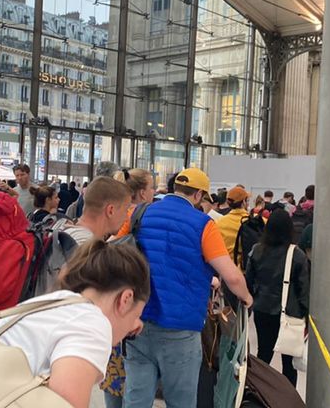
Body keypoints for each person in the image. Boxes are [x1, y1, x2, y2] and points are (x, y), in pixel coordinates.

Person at [119, 168, 253, 408]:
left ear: (173, 188)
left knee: (135, 399)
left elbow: (111, 247)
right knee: (181, 401)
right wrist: (247, 297)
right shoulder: (203, 224)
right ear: (199, 195)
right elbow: (232, 277)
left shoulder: (138, 213)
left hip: (136, 322)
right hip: (180, 329)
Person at [0, 240, 149, 408]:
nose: (135, 326)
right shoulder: (93, 324)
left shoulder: (57, 302)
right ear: (126, 299)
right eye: (136, 315)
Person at [103, 168, 156, 408]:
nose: (155, 192)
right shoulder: (147, 217)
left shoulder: (115, 215)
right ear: (143, 192)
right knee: (135, 379)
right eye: (152, 187)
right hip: (135, 309)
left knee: (112, 375)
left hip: (110, 305)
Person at [245, 209, 309, 387]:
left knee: (263, 355)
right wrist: (306, 315)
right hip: (290, 314)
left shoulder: (257, 250)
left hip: (262, 309)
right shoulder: (297, 255)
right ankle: (288, 400)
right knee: (289, 361)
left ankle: (260, 395)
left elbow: (248, 282)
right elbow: (304, 290)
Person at [64, 176, 132, 245]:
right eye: (125, 210)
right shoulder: (90, 249)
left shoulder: (65, 234)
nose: (127, 218)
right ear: (110, 211)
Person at [216, 186, 251, 266]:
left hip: (226, 268)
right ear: (244, 202)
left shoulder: (220, 222)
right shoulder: (252, 222)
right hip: (245, 268)